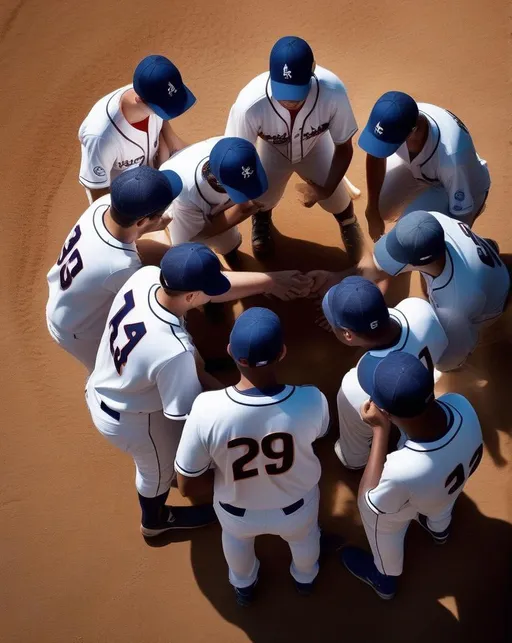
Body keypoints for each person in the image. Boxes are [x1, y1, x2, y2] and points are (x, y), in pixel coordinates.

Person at [86, 244, 313, 537]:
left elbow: (182, 336)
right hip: (129, 418)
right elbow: (191, 413)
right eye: (207, 290)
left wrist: (270, 280)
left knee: (188, 364)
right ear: (191, 295)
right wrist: (244, 406)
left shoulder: (146, 278)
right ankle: (155, 521)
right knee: (156, 471)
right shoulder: (173, 351)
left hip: (108, 379)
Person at [175, 307, 329, 605]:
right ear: (282, 352)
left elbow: (188, 486)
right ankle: (305, 580)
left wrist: (230, 472)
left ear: (231, 351)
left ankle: (243, 587)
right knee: (305, 538)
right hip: (295, 510)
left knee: (235, 542)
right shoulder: (312, 399)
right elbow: (319, 435)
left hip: (236, 513)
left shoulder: (206, 408)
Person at [340, 352, 483, 599]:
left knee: (378, 521)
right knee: (440, 502)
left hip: (419, 490)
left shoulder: (402, 468)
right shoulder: (461, 403)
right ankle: (440, 531)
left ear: (384, 411)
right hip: (448, 486)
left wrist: (380, 430)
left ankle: (384, 579)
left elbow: (370, 499)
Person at [308, 210, 509, 370]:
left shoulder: (455, 305)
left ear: (421, 261)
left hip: (487, 306)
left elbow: (452, 356)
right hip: (479, 264)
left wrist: (440, 366)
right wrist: (339, 277)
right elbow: (379, 265)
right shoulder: (428, 223)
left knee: (448, 360)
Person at [225, 36, 363, 260]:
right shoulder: (249, 104)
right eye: (283, 93)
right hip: (272, 150)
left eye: (296, 93)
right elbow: (235, 155)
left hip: (316, 146)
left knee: (338, 199)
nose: (289, 101)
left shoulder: (333, 91)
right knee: (260, 198)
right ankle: (261, 219)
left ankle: (348, 222)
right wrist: (246, 198)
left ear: (313, 71)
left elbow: (343, 146)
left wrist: (326, 190)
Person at [46, 166, 181, 371]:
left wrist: (152, 224)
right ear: (142, 220)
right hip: (79, 330)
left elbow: (127, 233)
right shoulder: (122, 266)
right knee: (113, 371)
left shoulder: (101, 206)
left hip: (68, 296)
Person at [322, 276, 448, 470]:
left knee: (350, 457)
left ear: (348, 334)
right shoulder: (418, 308)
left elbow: (355, 458)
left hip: (412, 451)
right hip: (435, 403)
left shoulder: (356, 384)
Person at [358, 91, 490, 240]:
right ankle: (413, 213)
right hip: (419, 170)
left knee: (412, 237)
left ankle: (486, 247)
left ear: (413, 131)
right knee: (381, 208)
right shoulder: (400, 119)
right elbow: (376, 153)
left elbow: (460, 219)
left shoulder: (452, 160)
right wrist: (372, 209)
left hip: (459, 189)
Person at [78, 55, 194, 203]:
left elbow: (173, 142)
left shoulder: (154, 91)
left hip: (154, 181)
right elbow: (98, 194)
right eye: (165, 107)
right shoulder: (101, 137)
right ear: (139, 99)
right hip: (124, 201)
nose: (169, 109)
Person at [160, 136, 268, 269]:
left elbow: (244, 206)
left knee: (228, 241)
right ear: (216, 179)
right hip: (185, 207)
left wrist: (241, 210)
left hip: (210, 197)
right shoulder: (185, 191)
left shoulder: (233, 148)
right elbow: (199, 234)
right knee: (188, 251)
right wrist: (240, 212)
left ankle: (230, 252)